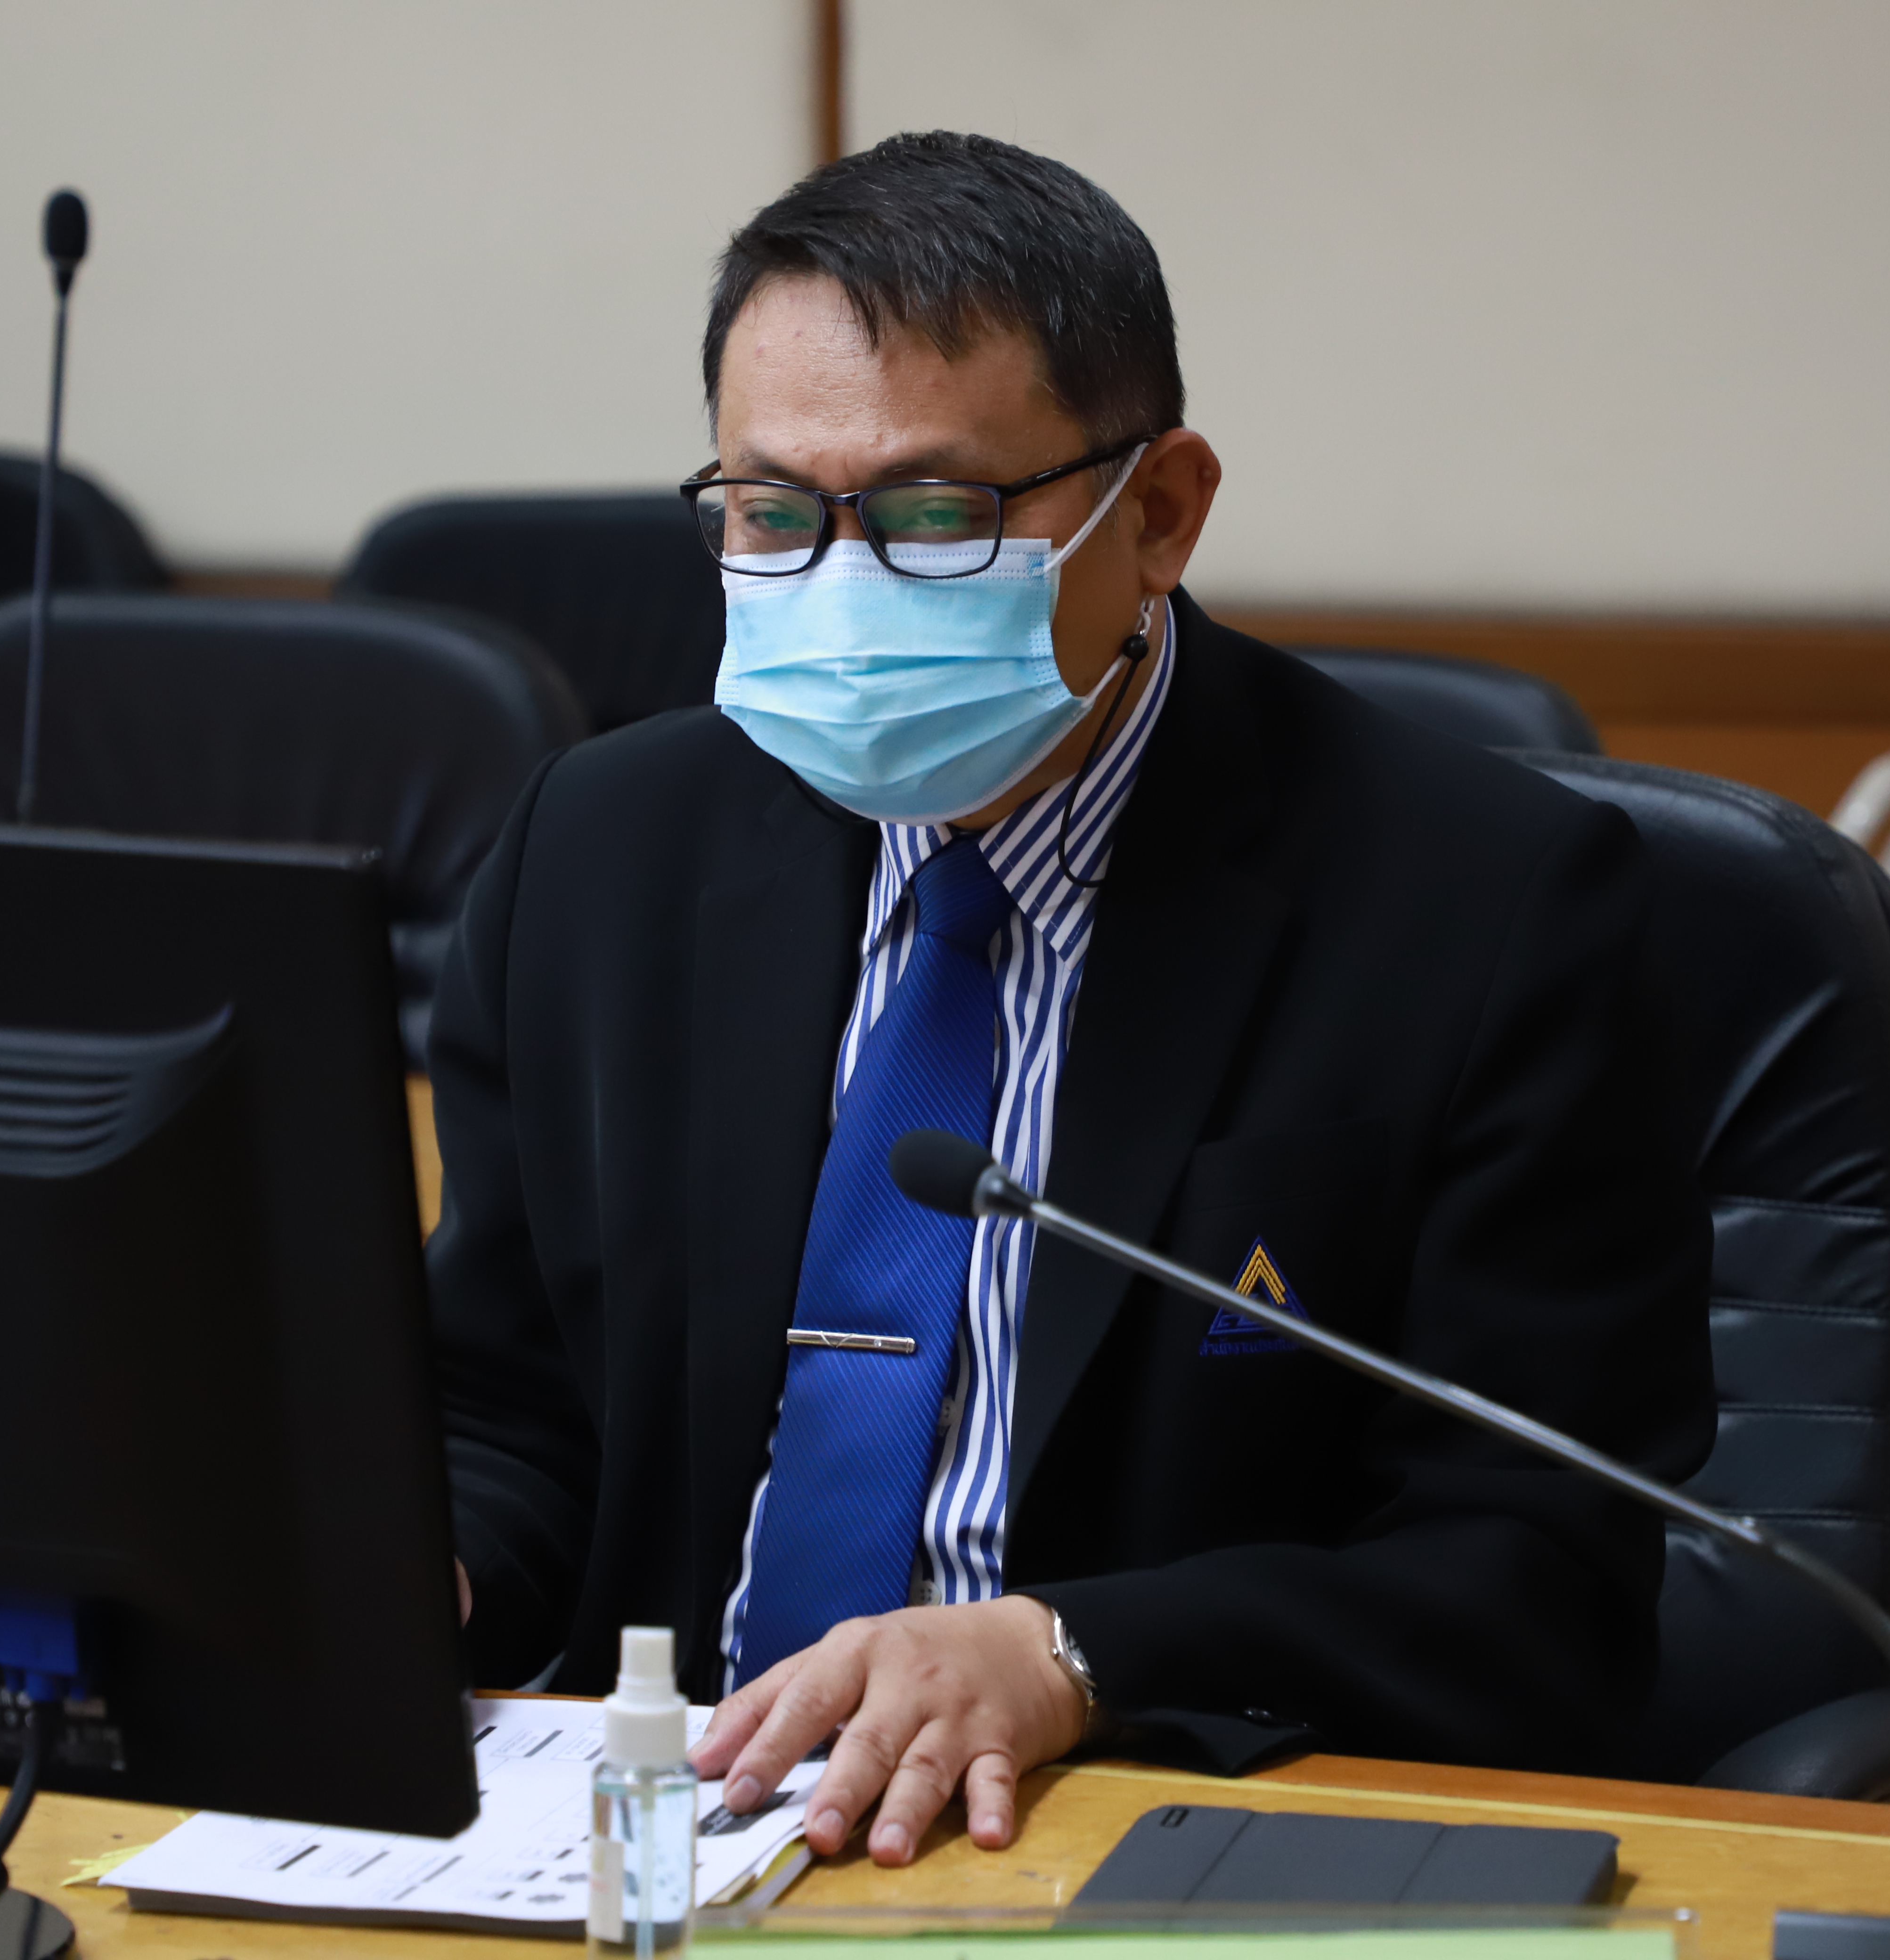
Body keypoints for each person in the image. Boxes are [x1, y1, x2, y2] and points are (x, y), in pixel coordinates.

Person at [426, 131, 1712, 1871]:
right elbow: (513, 1411)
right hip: (654, 1821)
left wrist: (1072, 1655)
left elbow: (1539, 1567)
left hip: (1137, 1824)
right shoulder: (601, 854)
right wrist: (431, 1564)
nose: (841, 583)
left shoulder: (1487, 907)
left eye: (937, 516)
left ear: (1159, 512)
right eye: (773, 513)